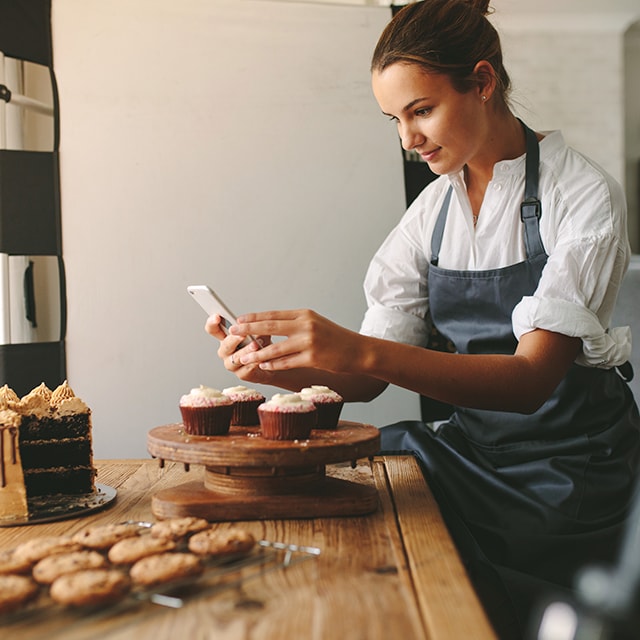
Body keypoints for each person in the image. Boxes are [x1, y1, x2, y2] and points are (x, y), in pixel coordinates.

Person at [205, 1, 640, 637]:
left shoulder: (582, 196)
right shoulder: (431, 213)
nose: (408, 139)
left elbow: (529, 382)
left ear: (483, 83)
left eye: (421, 110)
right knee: (337, 483)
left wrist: (353, 349)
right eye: (395, 119)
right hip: (474, 453)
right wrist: (279, 364)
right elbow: (366, 381)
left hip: (567, 470)